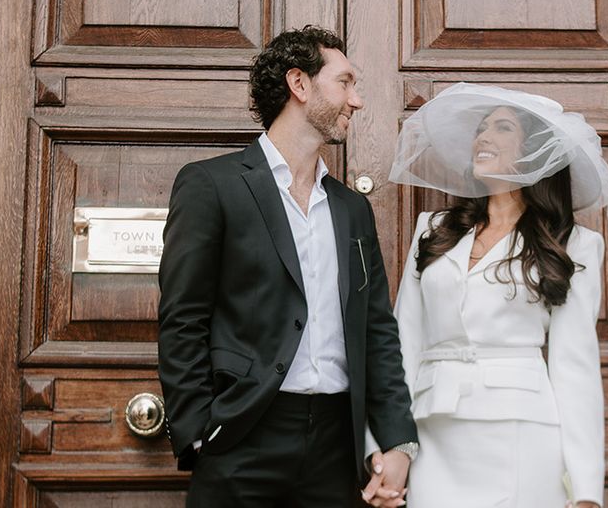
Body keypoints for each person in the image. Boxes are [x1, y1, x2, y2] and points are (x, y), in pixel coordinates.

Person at [158, 25, 418, 508]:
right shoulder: (211, 186)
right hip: (243, 436)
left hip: (337, 447)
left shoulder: (350, 209)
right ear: (299, 84)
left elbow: (376, 330)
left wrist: (397, 440)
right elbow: (182, 320)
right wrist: (198, 432)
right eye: (345, 82)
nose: (356, 100)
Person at [380, 82, 608, 508]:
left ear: (535, 151)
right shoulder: (432, 230)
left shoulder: (573, 244)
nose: (483, 137)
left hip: (521, 435)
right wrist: (389, 446)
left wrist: (585, 491)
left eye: (502, 128)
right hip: (434, 433)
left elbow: (573, 365)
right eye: (481, 128)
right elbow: (402, 344)